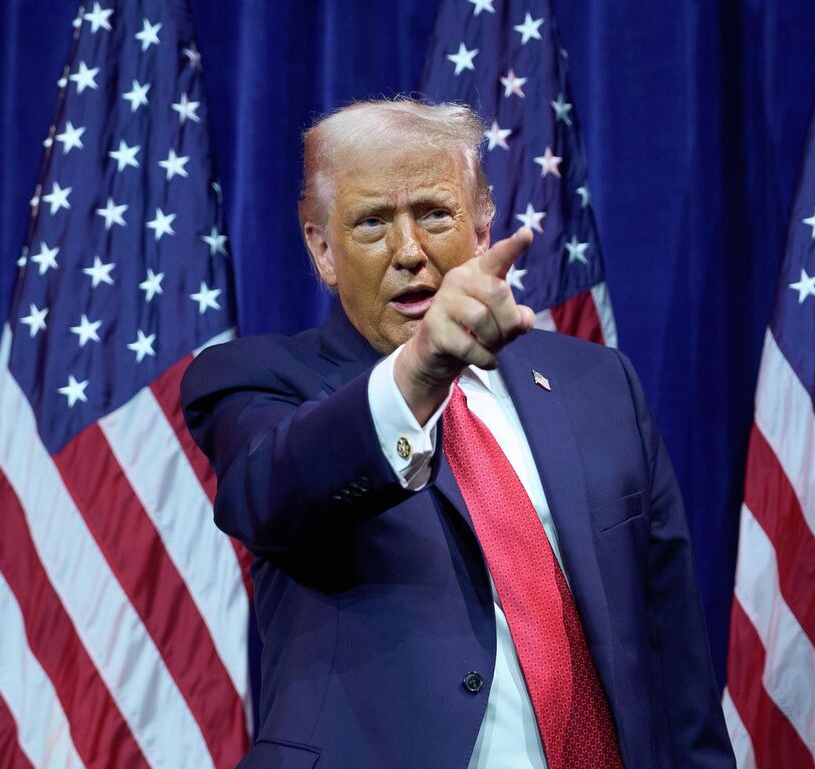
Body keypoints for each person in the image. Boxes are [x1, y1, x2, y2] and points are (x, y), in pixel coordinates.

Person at [181, 98, 732, 769]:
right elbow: (270, 488)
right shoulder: (255, 380)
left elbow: (674, 661)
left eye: (434, 214)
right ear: (322, 249)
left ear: (480, 224)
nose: (409, 251)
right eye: (372, 222)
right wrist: (419, 372)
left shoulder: (600, 385)